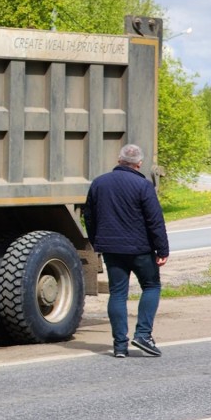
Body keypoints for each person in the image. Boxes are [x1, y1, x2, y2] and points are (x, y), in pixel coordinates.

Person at [84, 143, 169, 358]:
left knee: (118, 293)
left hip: (112, 249)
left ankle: (120, 345)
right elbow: (155, 220)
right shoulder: (143, 185)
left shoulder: (99, 183)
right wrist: (162, 250)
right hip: (140, 249)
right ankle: (143, 335)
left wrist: (97, 242)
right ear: (139, 164)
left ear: (119, 160)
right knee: (151, 286)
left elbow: (89, 216)